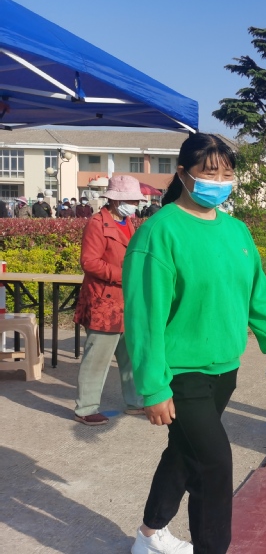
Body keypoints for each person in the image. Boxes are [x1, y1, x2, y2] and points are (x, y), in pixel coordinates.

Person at [123, 132, 266, 554]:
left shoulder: (236, 231)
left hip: (224, 370)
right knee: (215, 464)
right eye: (210, 173)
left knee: (185, 453)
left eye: (227, 174)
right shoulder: (160, 232)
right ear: (183, 174)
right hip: (181, 373)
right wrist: (153, 387)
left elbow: (256, 294)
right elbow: (144, 318)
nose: (220, 182)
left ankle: (149, 535)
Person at [73, 176, 146, 425]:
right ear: (115, 200)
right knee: (98, 357)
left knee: (131, 355)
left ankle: (135, 402)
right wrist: (124, 275)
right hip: (104, 301)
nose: (135, 204)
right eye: (130, 200)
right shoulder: (97, 223)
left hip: (126, 300)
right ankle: (85, 408)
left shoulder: (128, 222)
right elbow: (89, 262)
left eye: (135, 200)